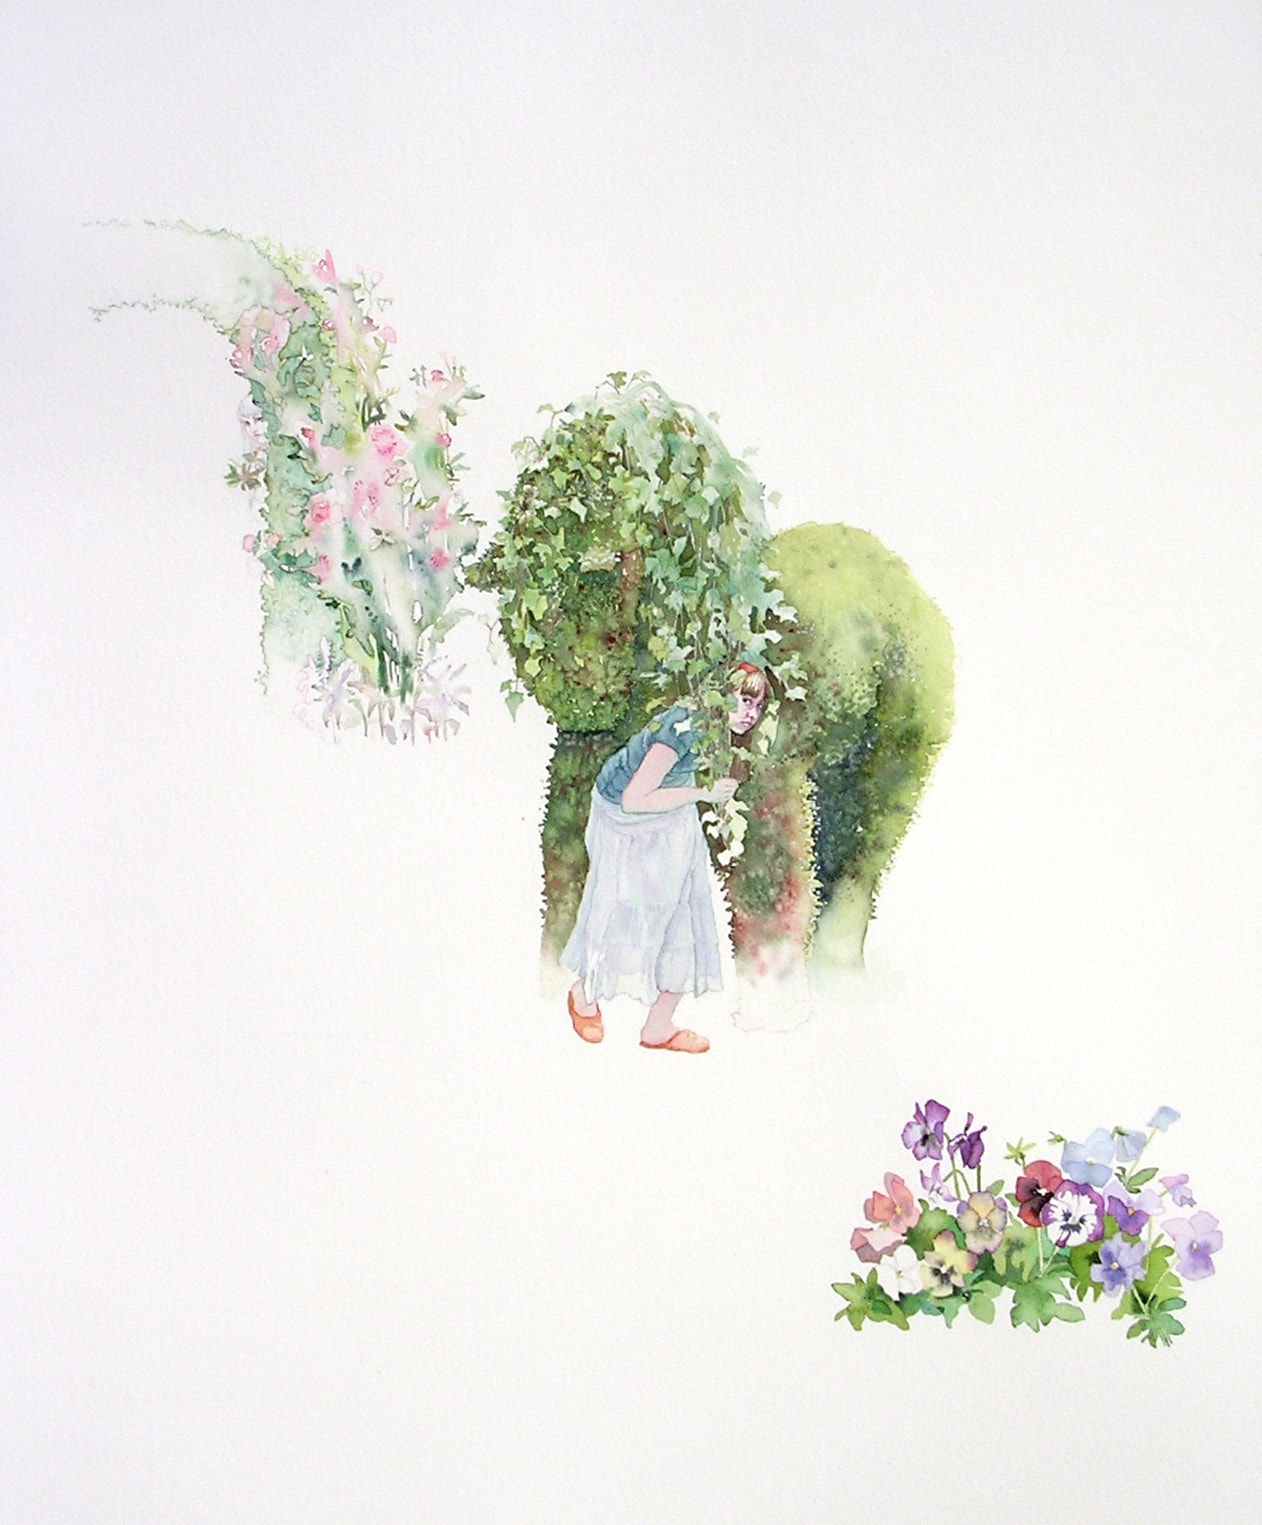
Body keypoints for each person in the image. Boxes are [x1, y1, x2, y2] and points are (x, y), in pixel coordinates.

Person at [563, 663, 769, 1053]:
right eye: (745, 701)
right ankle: (583, 995)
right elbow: (633, 799)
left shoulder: (719, 732)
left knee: (685, 913)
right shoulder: (680, 727)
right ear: (720, 696)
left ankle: (658, 1026)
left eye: (758, 706)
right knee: (624, 911)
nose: (751, 714)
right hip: (625, 822)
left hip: (671, 813)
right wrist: (703, 795)